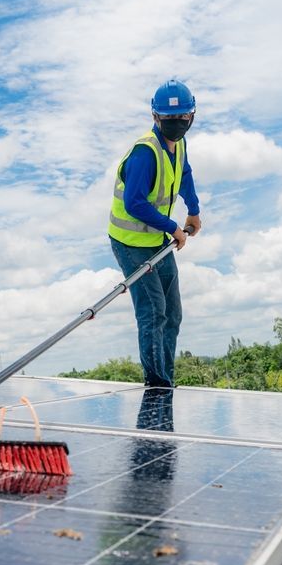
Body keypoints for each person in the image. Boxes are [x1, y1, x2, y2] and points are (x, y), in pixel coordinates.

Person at [108, 78, 201, 388]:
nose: (176, 123)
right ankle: (157, 384)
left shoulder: (179, 145)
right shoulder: (145, 153)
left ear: (191, 116)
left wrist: (194, 210)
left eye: (182, 118)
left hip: (156, 240)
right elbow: (134, 203)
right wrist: (173, 227)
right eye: (169, 118)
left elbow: (184, 173)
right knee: (153, 312)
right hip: (130, 243)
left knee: (172, 314)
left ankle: (167, 380)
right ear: (155, 118)